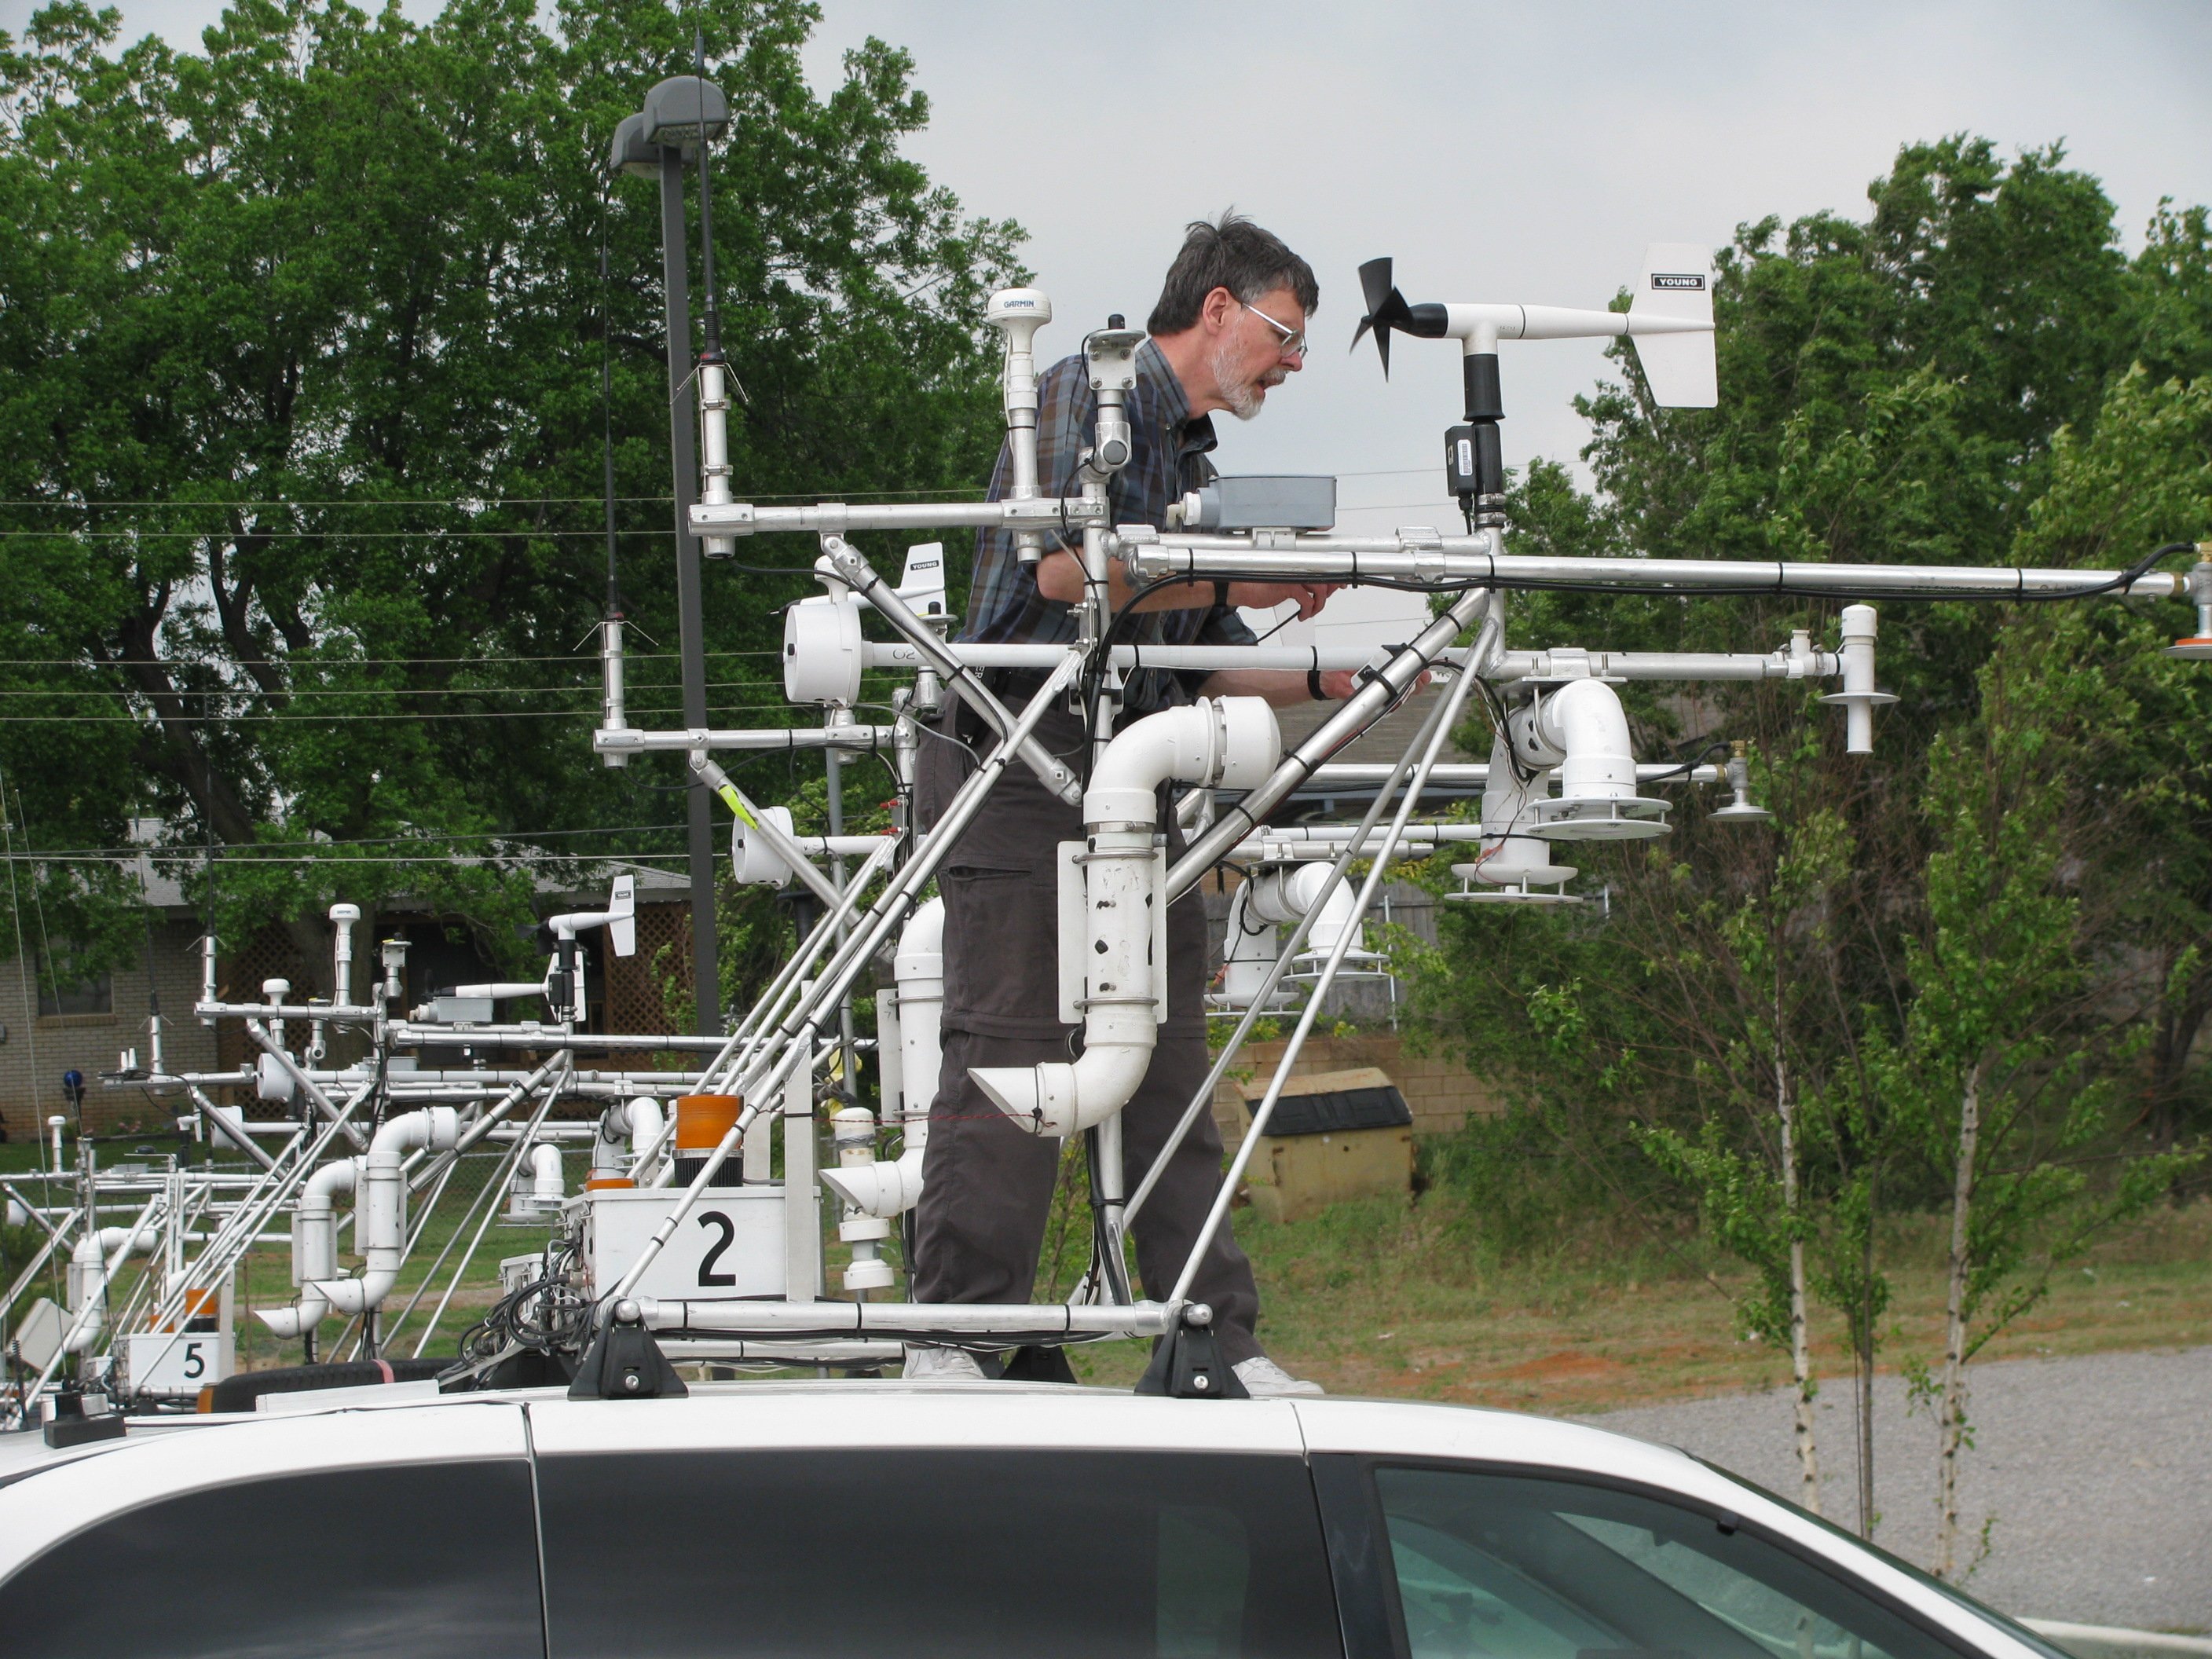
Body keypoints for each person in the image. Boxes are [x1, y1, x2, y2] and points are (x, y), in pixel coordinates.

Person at [907, 214, 1357, 1396]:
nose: (1289, 365)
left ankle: (1212, 1337)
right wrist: (1251, 570)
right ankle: (952, 1337)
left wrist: (1341, 673)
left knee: (1166, 1059)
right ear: (1216, 310)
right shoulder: (1085, 393)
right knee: (1008, 1036)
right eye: (1283, 336)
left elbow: (1201, 651)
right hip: (1024, 751)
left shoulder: (1190, 466)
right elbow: (1064, 568)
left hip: (1137, 759)